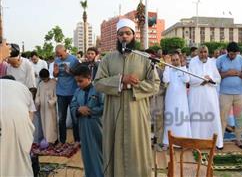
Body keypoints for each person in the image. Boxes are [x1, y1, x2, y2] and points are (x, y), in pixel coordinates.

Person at [94, 18, 160, 177]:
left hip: (136, 113)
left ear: (133, 36)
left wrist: (130, 85)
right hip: (113, 112)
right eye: (121, 34)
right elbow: (98, 83)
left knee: (136, 147)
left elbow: (155, 84)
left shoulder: (145, 58)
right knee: (114, 147)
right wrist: (120, 80)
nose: (124, 36)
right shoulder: (107, 59)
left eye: (128, 33)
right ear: (117, 37)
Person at [70, 64, 104, 177]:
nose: (78, 84)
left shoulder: (99, 89)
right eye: (76, 81)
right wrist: (79, 110)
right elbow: (73, 105)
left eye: (80, 81)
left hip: (97, 126)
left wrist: (90, 110)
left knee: (99, 152)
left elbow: (105, 107)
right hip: (83, 127)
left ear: (89, 78)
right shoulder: (77, 91)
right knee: (87, 153)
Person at [188, 45, 223, 149]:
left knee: (212, 117)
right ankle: (195, 142)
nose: (203, 54)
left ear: (208, 52)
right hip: (196, 95)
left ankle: (215, 142)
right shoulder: (193, 62)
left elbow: (218, 79)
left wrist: (210, 79)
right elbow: (190, 79)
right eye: (201, 52)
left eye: (205, 52)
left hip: (210, 96)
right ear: (198, 53)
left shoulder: (212, 62)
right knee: (197, 117)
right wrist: (201, 80)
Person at [0, 78, 35, 176]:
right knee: (21, 156)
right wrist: (26, 131)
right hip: (19, 118)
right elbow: (31, 113)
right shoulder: (22, 87)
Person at [216, 42, 242, 149]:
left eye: (235, 54)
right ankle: (220, 141)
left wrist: (238, 73)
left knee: (239, 117)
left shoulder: (241, 59)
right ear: (227, 52)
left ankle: (238, 140)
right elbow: (216, 75)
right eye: (231, 54)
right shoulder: (220, 59)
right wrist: (227, 73)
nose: (233, 56)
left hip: (239, 94)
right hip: (225, 94)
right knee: (223, 118)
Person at [53, 44, 80, 145]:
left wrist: (71, 71)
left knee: (75, 118)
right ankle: (62, 140)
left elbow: (79, 74)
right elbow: (55, 74)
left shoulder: (74, 60)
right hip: (61, 92)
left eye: (60, 55)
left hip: (73, 92)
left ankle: (77, 140)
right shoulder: (57, 61)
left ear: (65, 51)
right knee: (61, 118)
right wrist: (55, 72)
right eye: (57, 55)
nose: (59, 57)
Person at [162, 52, 191, 144]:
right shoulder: (169, 70)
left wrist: (183, 67)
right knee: (170, 120)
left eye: (177, 60)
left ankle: (182, 142)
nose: (175, 62)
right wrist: (167, 66)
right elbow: (165, 80)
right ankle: (168, 142)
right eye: (173, 60)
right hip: (170, 100)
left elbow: (187, 80)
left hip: (181, 100)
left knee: (181, 120)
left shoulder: (183, 69)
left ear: (180, 59)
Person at [35, 68, 58, 144]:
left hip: (51, 108)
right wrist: (37, 101)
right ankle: (46, 139)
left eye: (45, 78)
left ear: (48, 76)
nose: (44, 80)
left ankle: (53, 139)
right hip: (43, 108)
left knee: (52, 124)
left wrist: (51, 101)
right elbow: (37, 95)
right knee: (44, 124)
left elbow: (56, 96)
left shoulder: (54, 83)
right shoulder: (40, 84)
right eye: (42, 78)